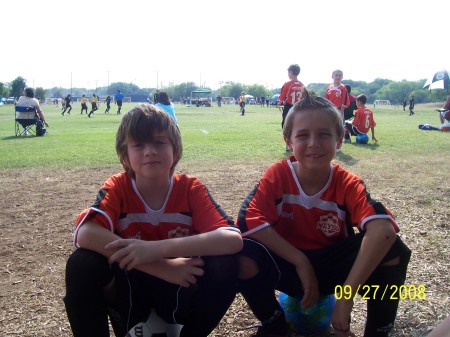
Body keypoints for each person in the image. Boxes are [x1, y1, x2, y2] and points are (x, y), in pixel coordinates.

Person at [236, 90, 411, 337]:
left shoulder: (347, 182)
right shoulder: (277, 175)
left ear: (339, 140)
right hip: (288, 267)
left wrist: (347, 297)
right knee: (242, 250)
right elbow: (247, 222)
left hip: (333, 271)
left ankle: (379, 330)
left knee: (395, 252)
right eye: (303, 135)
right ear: (288, 141)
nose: (313, 143)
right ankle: (274, 323)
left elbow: (383, 231)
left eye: (324, 134)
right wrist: (300, 261)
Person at [64, 104, 243, 337]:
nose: (150, 151)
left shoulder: (190, 189)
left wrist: (155, 249)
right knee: (82, 263)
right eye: (138, 144)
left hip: (182, 283)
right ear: (124, 155)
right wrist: (160, 265)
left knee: (226, 263)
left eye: (160, 142)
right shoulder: (118, 187)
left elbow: (232, 240)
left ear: (175, 150)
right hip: (130, 286)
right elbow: (85, 233)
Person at [279, 64, 305, 130]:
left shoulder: (287, 84)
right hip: (299, 107)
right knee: (298, 125)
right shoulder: (302, 84)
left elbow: (281, 98)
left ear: (290, 72)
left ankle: (287, 138)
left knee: (286, 124)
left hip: (289, 107)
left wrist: (281, 101)